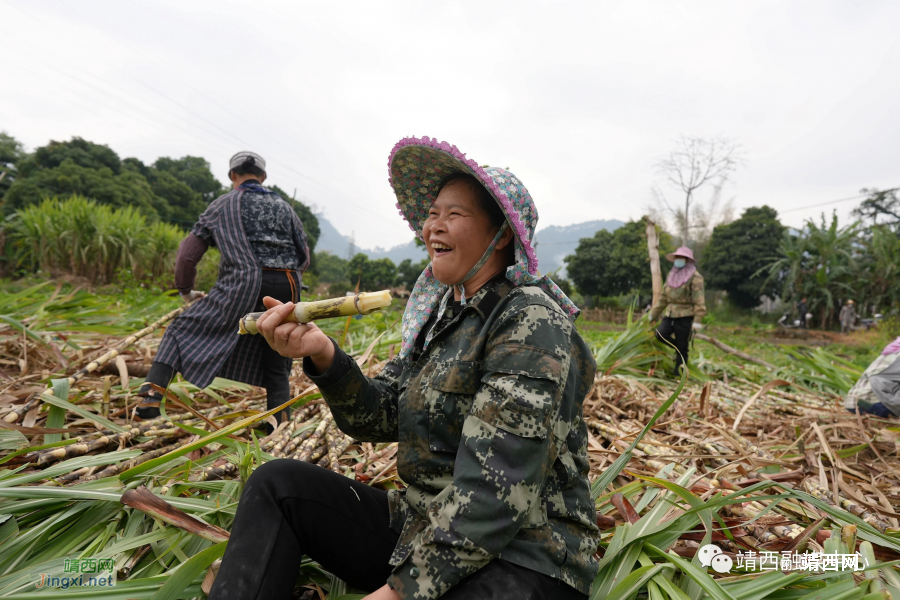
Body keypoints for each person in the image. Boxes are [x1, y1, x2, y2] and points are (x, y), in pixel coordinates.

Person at [208, 137, 599, 600]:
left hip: (524, 556)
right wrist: (323, 354)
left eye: (455, 214)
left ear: (502, 234)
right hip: (424, 528)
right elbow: (379, 415)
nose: (435, 225)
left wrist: (397, 592)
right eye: (433, 213)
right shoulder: (442, 318)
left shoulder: (529, 318)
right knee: (278, 485)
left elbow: (498, 488)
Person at [136, 151, 310, 424]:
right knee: (276, 356)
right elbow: (305, 257)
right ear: (263, 177)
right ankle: (280, 424)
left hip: (243, 284)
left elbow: (187, 255)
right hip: (289, 284)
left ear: (233, 176)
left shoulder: (223, 204)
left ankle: (150, 399)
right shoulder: (285, 208)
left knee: (180, 328)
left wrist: (186, 291)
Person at [648, 246, 706, 375]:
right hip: (670, 314)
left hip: (685, 315)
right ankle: (677, 348)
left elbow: (699, 300)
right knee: (660, 334)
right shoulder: (672, 275)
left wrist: (697, 321)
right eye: (677, 258)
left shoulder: (695, 277)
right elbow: (663, 297)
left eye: (681, 258)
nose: (678, 260)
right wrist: (652, 314)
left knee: (683, 347)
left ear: (687, 260)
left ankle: (679, 374)